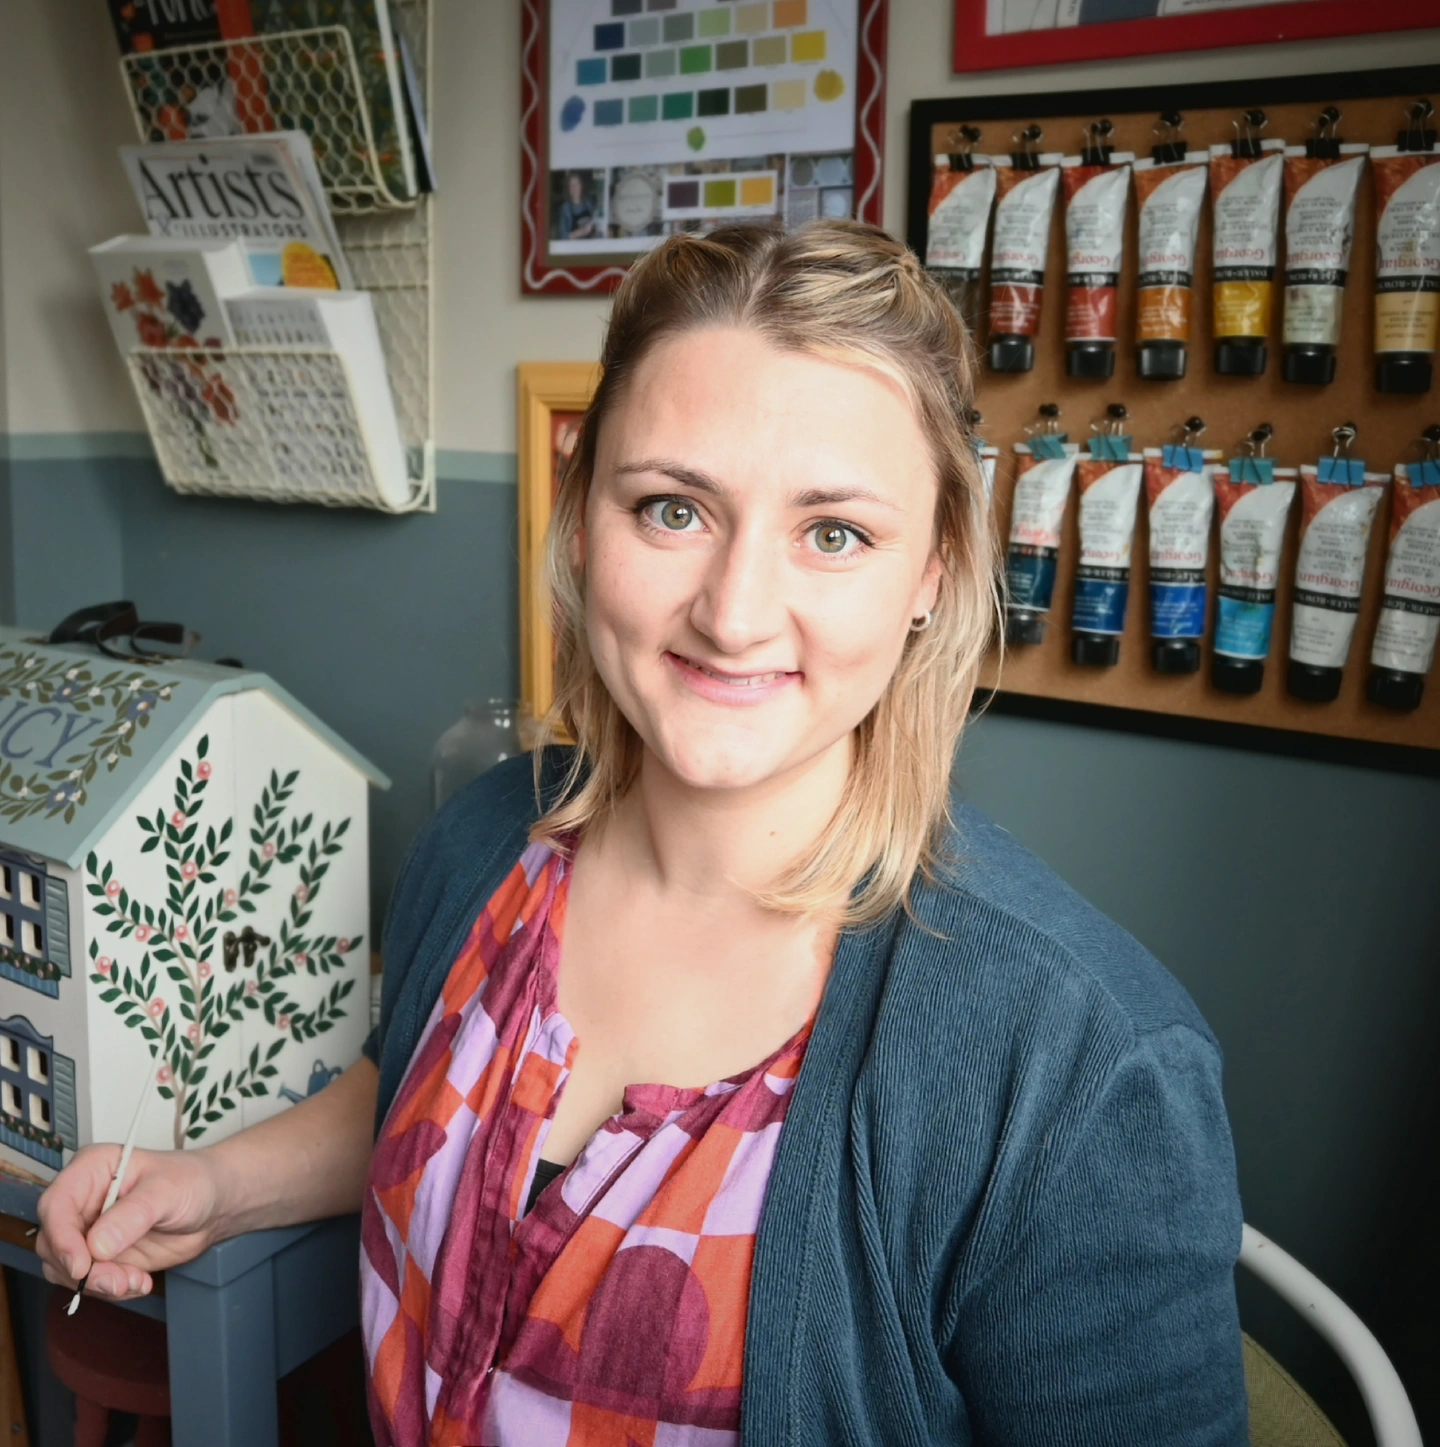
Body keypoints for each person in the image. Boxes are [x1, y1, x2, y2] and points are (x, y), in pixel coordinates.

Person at [37, 220, 1249, 1445]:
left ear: (931, 571)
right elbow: (414, 1091)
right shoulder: (484, 838)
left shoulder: (1080, 1070)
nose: (732, 611)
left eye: (834, 534)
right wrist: (216, 1185)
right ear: (580, 522)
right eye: (673, 509)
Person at [557, 170, 598, 240]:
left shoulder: (588, 202)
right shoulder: (565, 208)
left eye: (577, 184)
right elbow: (563, 236)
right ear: (568, 189)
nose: (574, 188)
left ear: (581, 186)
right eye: (572, 185)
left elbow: (597, 220)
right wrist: (581, 232)